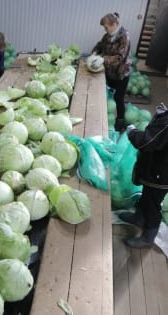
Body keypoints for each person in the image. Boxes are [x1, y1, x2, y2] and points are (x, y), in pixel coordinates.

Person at [119, 103, 168, 248]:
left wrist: (131, 131)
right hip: (158, 170)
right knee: (147, 195)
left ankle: (148, 237)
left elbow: (146, 142)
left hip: (161, 174)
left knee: (152, 204)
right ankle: (139, 218)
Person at [92, 13, 132, 132]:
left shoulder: (124, 37)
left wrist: (103, 59)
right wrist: (95, 52)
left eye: (106, 27)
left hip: (121, 74)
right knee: (108, 96)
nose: (105, 29)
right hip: (110, 73)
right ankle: (106, 120)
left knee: (118, 98)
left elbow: (120, 57)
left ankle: (120, 122)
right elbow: (100, 45)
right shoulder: (108, 36)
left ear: (114, 24)